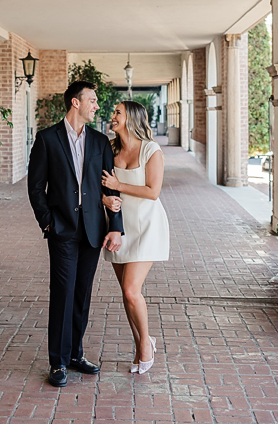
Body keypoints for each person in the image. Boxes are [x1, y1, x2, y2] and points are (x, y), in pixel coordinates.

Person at [27, 80, 124, 388]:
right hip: (62, 228)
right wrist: (47, 221)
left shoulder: (99, 141)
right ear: (75, 103)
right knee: (63, 294)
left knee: (82, 295)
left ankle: (75, 354)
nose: (96, 105)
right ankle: (57, 360)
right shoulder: (47, 139)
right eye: (92, 100)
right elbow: (35, 186)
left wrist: (115, 226)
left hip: (93, 229)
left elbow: (110, 185)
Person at [100, 100, 170, 374]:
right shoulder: (110, 148)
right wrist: (107, 198)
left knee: (131, 290)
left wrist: (118, 185)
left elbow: (153, 192)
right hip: (119, 225)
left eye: (118, 112)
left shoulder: (151, 151)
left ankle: (145, 348)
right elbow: (101, 185)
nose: (113, 116)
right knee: (127, 293)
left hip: (147, 226)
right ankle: (141, 342)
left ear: (132, 118)